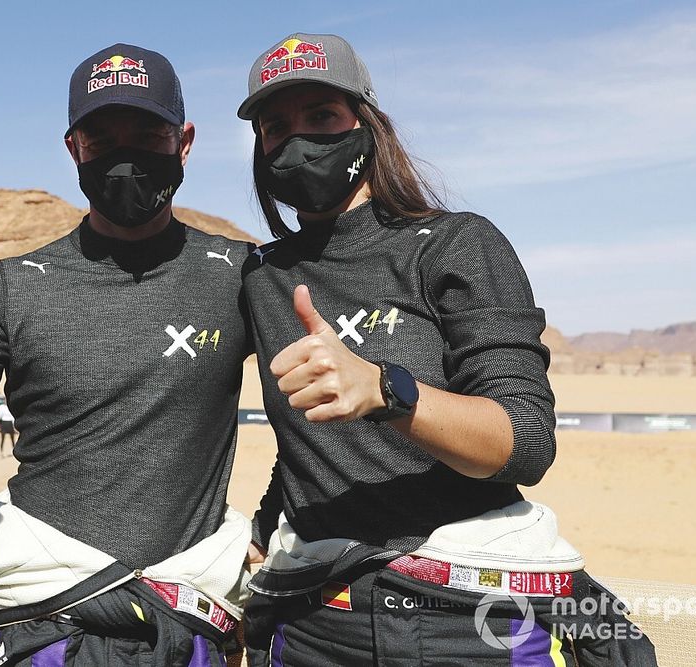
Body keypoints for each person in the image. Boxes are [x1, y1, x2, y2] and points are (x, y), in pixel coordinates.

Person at [235, 33, 657, 666]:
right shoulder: (263, 277)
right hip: (319, 625)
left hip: (467, 625)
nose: (299, 141)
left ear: (368, 125)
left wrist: (384, 390)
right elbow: (311, 444)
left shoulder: (453, 244)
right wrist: (265, 526)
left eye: (322, 117)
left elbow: (524, 443)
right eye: (276, 128)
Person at [0, 43, 255, 666]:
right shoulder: (16, 283)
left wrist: (266, 525)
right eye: (102, 140)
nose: (125, 155)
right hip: (47, 626)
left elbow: (317, 414)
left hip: (189, 624)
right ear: (73, 148)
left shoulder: (238, 275)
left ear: (183, 142)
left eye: (147, 134)